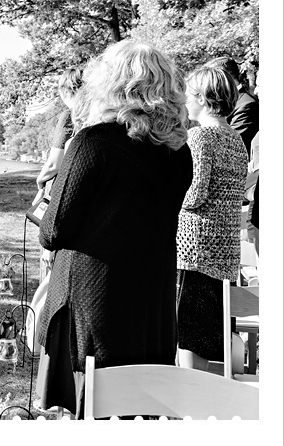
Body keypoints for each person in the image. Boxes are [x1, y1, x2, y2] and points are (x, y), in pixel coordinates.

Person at [35, 41, 193, 419]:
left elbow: (53, 231)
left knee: (84, 411)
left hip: (93, 306)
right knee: (139, 415)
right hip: (150, 304)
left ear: (110, 83)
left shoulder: (93, 143)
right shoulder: (179, 152)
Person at [176, 65, 249, 372]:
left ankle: (188, 410)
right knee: (208, 338)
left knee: (190, 340)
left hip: (195, 251)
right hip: (224, 252)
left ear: (203, 99)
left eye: (188, 94)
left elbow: (194, 195)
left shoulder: (200, 137)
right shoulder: (235, 139)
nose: (183, 100)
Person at [33, 67, 83, 204]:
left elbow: (54, 163)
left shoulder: (69, 116)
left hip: (69, 187)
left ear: (65, 91)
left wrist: (40, 181)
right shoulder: (99, 115)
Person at [208, 57, 258, 153]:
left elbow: (230, 144)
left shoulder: (247, 105)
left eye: (212, 78)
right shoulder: (226, 101)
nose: (207, 84)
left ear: (227, 77)